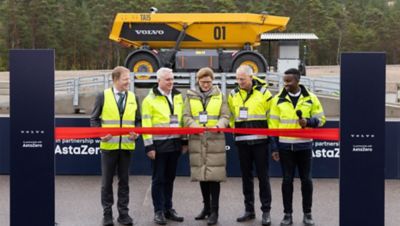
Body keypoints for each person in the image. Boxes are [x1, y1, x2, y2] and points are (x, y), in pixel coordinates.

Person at [269, 68, 325, 226]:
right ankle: (287, 215)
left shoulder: (311, 98)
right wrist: (274, 148)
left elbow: (321, 119)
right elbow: (272, 126)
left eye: (289, 81)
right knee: (287, 181)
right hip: (285, 147)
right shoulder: (277, 99)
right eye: (284, 81)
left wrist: (308, 122)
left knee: (306, 180)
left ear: (298, 81)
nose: (285, 84)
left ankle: (308, 214)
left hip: (304, 146)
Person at [90, 66, 140, 226]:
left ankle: (123, 214)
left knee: (124, 182)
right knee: (106, 183)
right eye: (126, 79)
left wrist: (136, 133)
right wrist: (100, 134)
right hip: (108, 147)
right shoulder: (102, 96)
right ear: (115, 79)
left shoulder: (133, 97)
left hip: (126, 147)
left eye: (129, 79)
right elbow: (94, 119)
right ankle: (107, 215)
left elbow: (138, 121)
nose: (128, 82)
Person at [183, 67, 230, 225]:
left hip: (215, 139)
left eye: (208, 82)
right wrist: (193, 126)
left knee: (214, 177)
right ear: (198, 81)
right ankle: (206, 208)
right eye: (203, 82)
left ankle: (215, 211)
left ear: (212, 81)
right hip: (197, 140)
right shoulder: (190, 97)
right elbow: (186, 116)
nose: (206, 85)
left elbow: (225, 115)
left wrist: (219, 125)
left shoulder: (220, 96)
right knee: (202, 176)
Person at [228, 65, 273, 226]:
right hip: (242, 143)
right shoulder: (232, 94)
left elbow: (271, 118)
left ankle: (266, 211)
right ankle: (249, 210)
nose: (239, 82)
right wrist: (234, 131)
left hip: (260, 142)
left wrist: (271, 140)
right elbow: (232, 116)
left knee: (263, 178)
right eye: (238, 79)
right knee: (246, 178)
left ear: (251, 77)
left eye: (243, 79)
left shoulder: (264, 93)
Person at [141, 67, 187, 225]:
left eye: (172, 79)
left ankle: (168, 208)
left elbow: (182, 120)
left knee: (170, 179)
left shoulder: (178, 96)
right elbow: (146, 124)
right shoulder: (149, 99)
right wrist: (149, 146)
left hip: (175, 144)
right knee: (158, 179)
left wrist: (184, 140)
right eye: (168, 80)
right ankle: (158, 211)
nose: (171, 82)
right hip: (159, 145)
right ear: (158, 80)